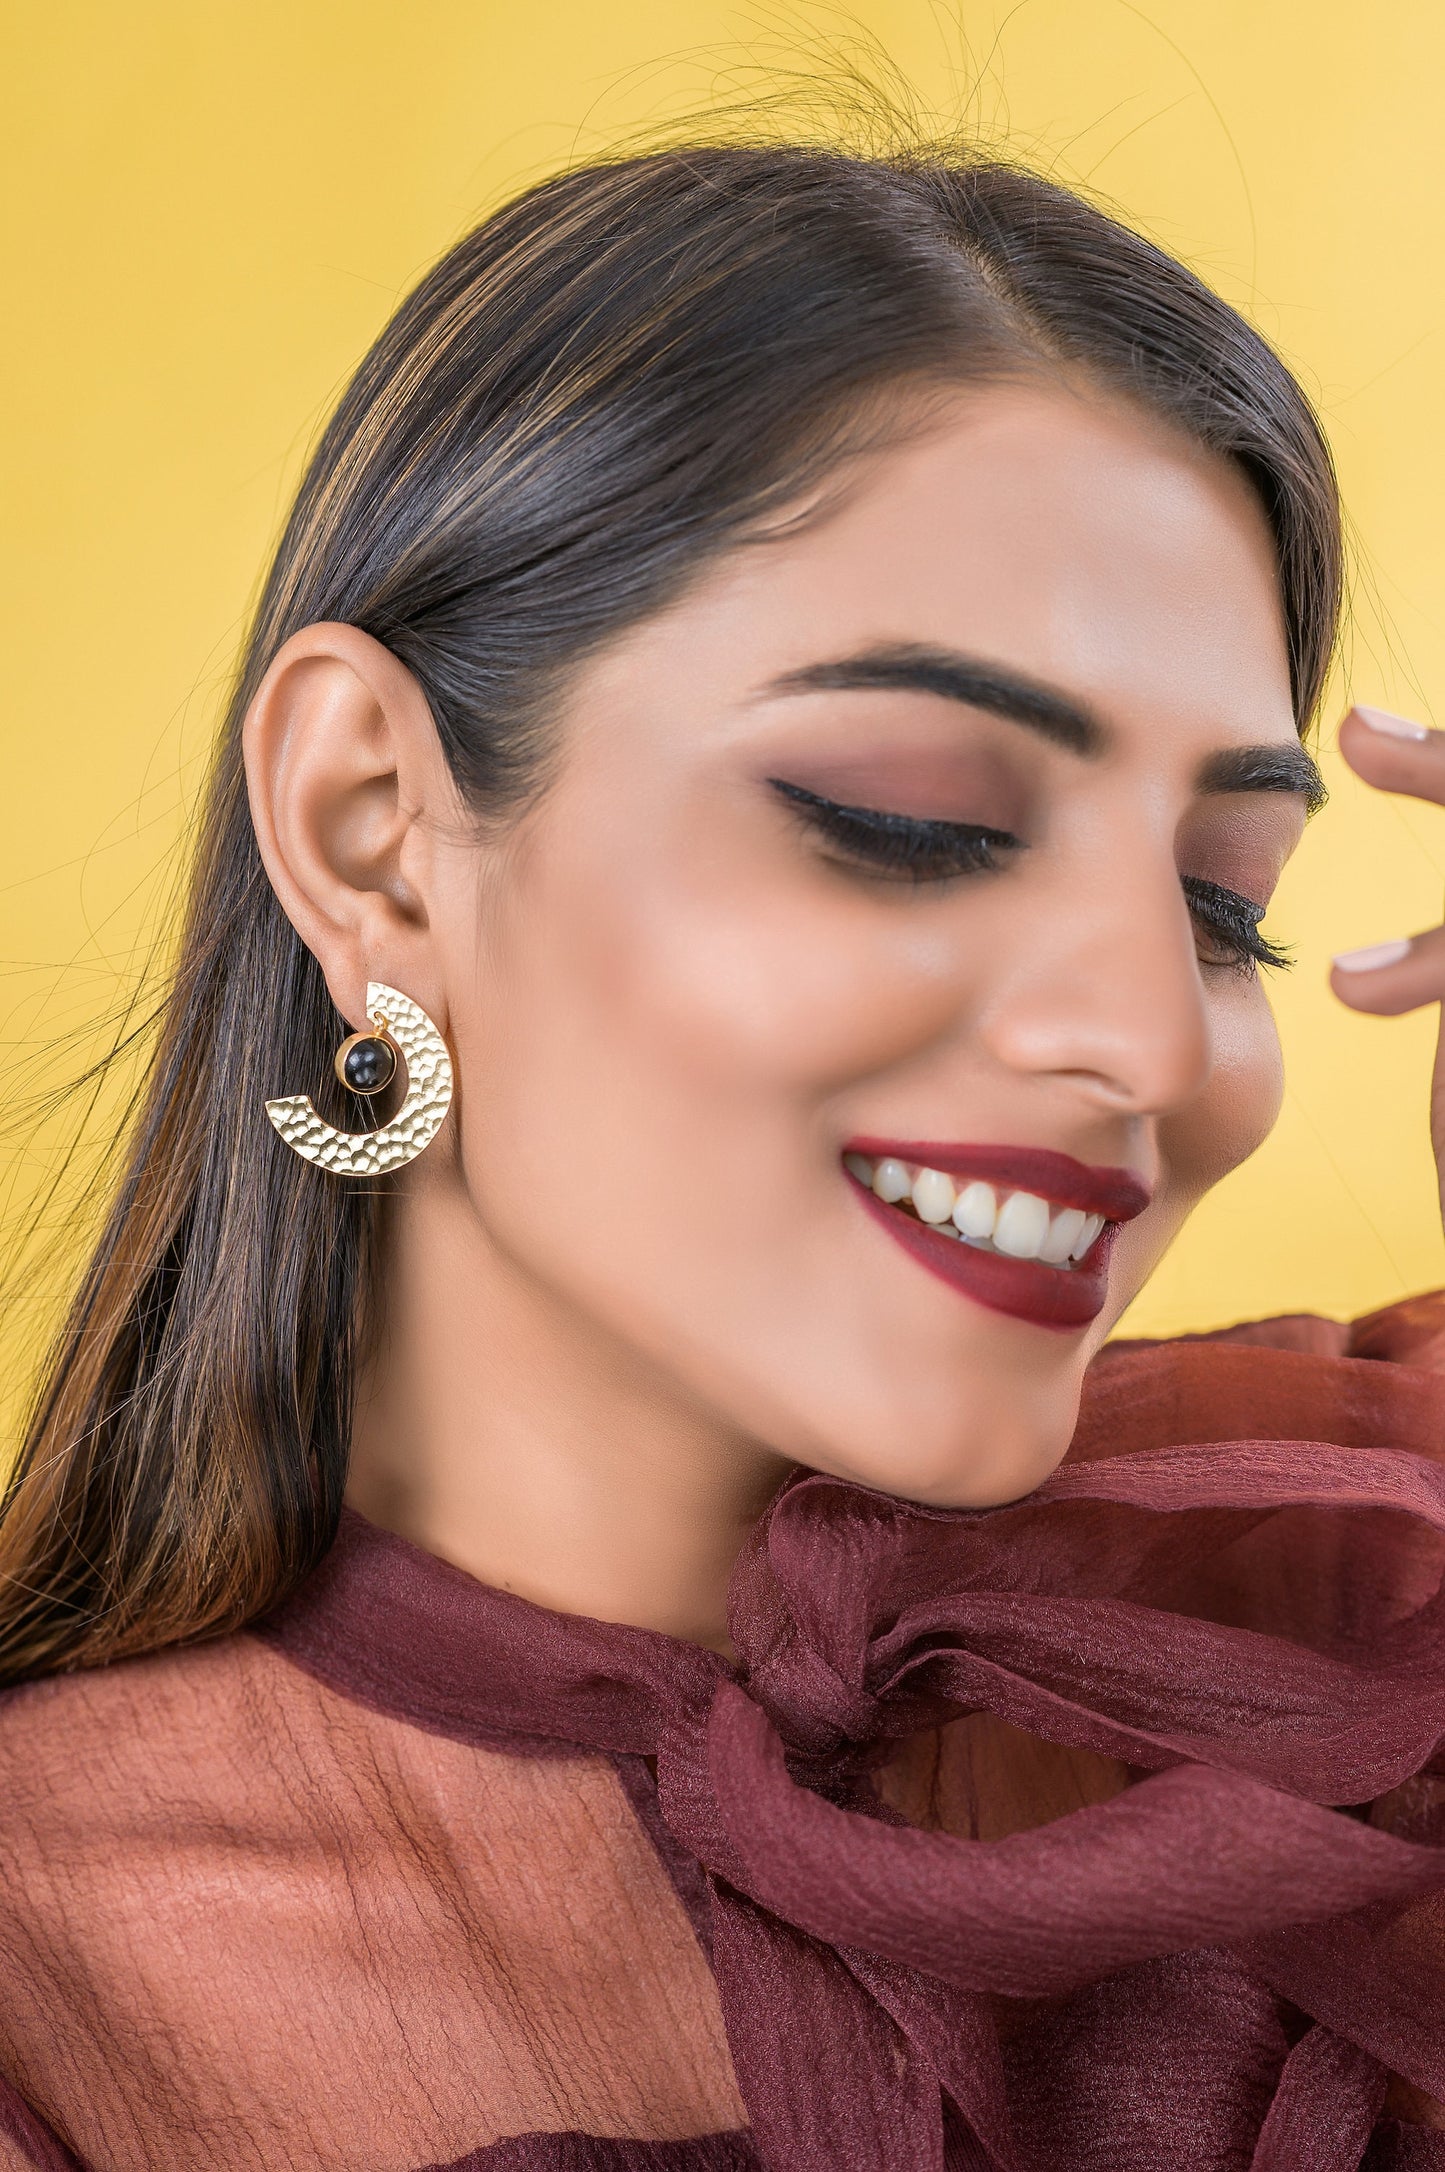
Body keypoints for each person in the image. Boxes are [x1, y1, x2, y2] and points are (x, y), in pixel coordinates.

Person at [0, 138, 1441, 2172]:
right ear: (367, 829)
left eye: (1225, 904)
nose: (1138, 1032)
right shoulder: (50, 1988)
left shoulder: (1370, 1644)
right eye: (915, 819)